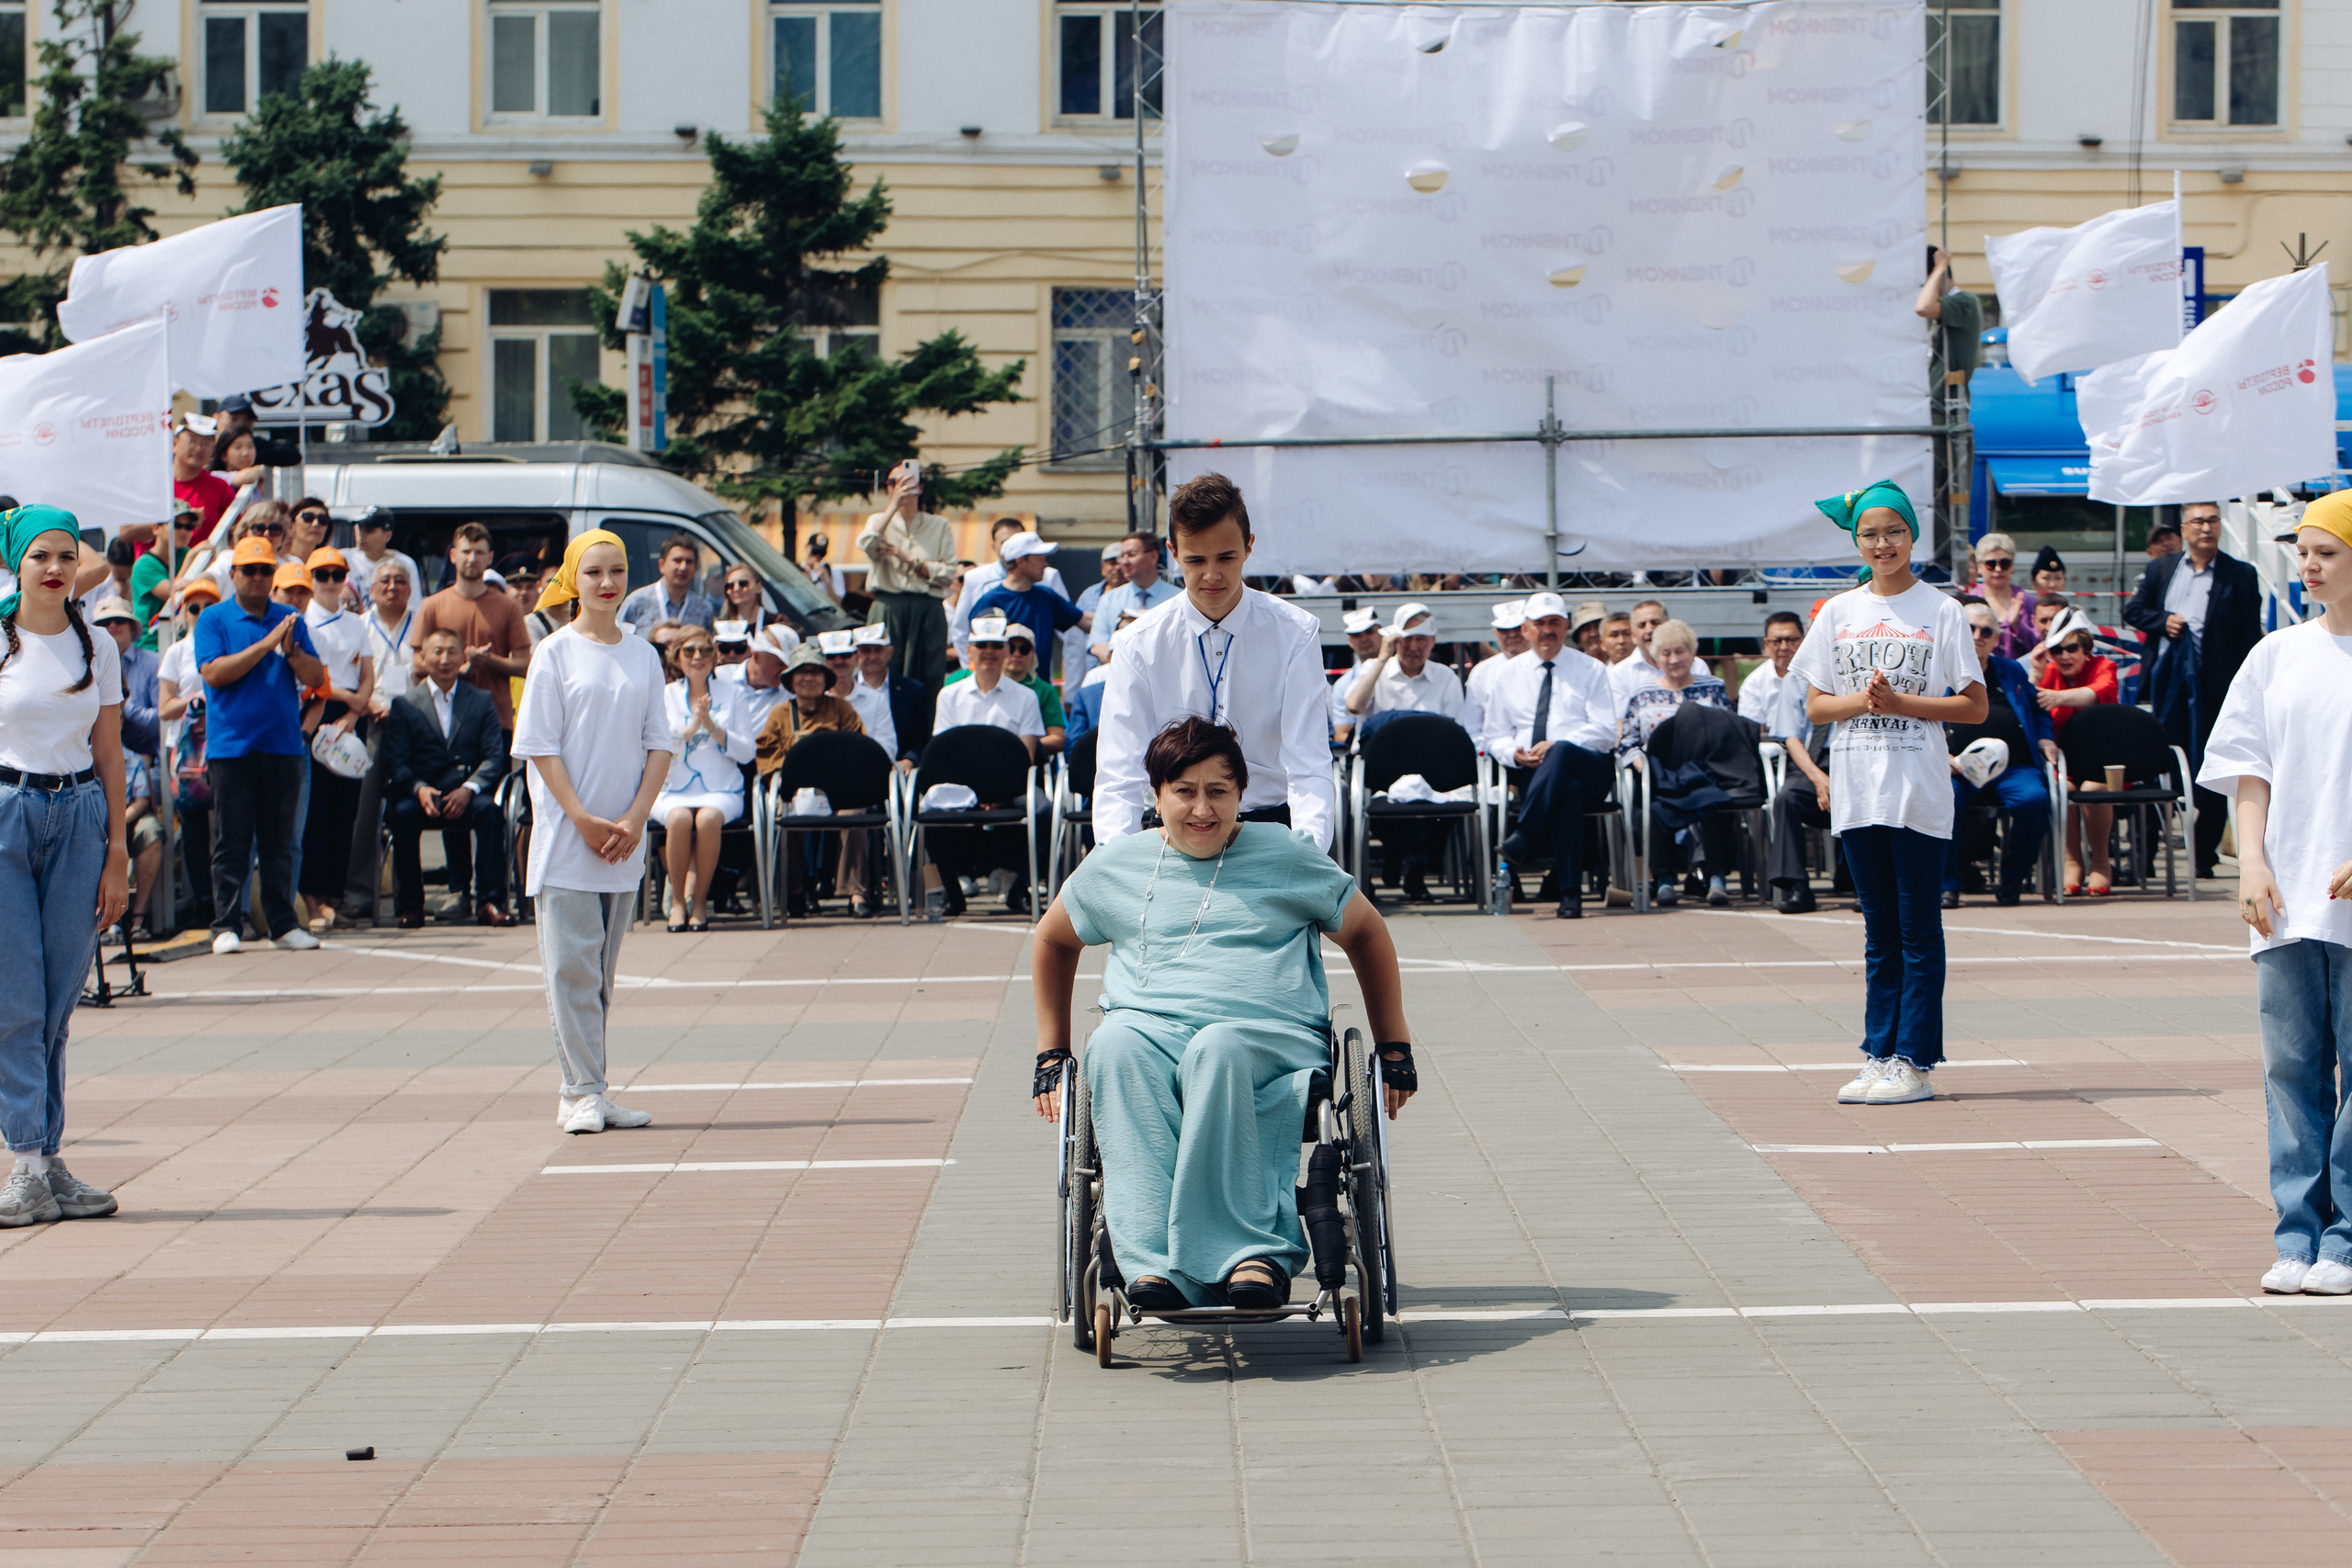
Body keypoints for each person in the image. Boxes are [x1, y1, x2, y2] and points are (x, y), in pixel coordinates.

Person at [1028, 717, 1416, 1309]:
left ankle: (1251, 1253)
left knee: (1219, 1047)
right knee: (1112, 1046)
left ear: (1242, 794)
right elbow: (1054, 940)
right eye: (1184, 791)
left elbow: (1366, 932)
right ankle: (1153, 1262)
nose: (1202, 809)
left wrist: (1394, 1045)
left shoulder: (1285, 854)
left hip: (1269, 1037)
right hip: (1151, 1033)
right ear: (1156, 796)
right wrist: (1052, 1051)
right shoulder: (1116, 866)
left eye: (1219, 791)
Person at [1790, 481, 1985, 1107]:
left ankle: (1915, 1058)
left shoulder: (1943, 610)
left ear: (1912, 536)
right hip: (1857, 789)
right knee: (1879, 930)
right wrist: (1865, 702)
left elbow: (1974, 704)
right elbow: (1817, 705)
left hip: (1918, 790)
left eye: (1894, 531)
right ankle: (1878, 1052)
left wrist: (1903, 704)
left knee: (1917, 928)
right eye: (1871, 534)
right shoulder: (1838, 613)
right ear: (1858, 541)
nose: (1883, 543)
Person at [2199, 491, 2352, 1297]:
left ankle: (2347, 1240)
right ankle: (2297, 1237)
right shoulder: (2276, 654)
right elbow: (2246, 769)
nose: (2309, 563)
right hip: (2286, 895)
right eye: (2305, 550)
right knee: (2291, 1069)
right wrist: (2251, 862)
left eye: (2326, 551)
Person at [512, 531, 674, 1137]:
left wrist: (634, 817)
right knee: (571, 969)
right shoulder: (554, 652)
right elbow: (539, 748)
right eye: (594, 572)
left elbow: (660, 741)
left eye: (618, 571)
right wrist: (580, 816)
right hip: (567, 838)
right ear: (574, 580)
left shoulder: (642, 655)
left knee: (600, 974)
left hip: (622, 842)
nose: (607, 583)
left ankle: (583, 1087)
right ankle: (584, 1090)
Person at [0, 505, 130, 1227]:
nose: (55, 569)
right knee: (14, 998)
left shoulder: (97, 647)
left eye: (66, 557)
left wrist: (117, 852)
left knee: (56, 1003)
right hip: (7, 813)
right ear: (15, 564)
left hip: (79, 818)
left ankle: (46, 1162)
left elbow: (110, 752)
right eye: (39, 556)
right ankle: (26, 1162)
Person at [1095, 473, 1339, 852]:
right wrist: (1116, 862)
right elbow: (1119, 774)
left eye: (1226, 557)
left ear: (1249, 546)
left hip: (1267, 828)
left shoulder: (1295, 632)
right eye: (1195, 560)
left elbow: (1309, 763)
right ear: (1173, 554)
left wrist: (1309, 853)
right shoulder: (1137, 642)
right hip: (1170, 834)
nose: (1211, 574)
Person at [193, 534, 327, 954]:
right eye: (248, 570)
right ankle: (225, 925)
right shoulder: (214, 619)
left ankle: (283, 923)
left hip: (283, 744)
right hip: (231, 746)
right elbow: (214, 674)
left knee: (279, 841)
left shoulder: (290, 618)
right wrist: (266, 645)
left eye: (264, 570)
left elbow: (314, 676)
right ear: (233, 574)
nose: (256, 577)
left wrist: (289, 651)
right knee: (231, 841)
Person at [2124, 499, 2263, 879]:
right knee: (2155, 766)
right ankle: (2144, 855)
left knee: (2215, 766)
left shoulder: (2240, 574)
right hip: (2165, 685)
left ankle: (2203, 855)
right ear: (2183, 529)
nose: (2206, 528)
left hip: (2215, 688)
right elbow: (2133, 612)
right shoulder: (2161, 569)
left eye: (2213, 521)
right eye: (2198, 522)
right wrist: (2162, 620)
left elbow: (2251, 635)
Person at [1487, 592, 1618, 919]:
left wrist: (1558, 744)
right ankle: (1570, 895)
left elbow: (1604, 730)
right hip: (1534, 773)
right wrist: (1512, 753)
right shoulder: (1507, 674)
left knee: (1562, 756)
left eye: (1554, 623)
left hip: (1590, 766)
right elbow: (1494, 734)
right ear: (1526, 629)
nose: (1547, 630)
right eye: (1540, 624)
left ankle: (1526, 834)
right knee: (1566, 791)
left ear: (1567, 627)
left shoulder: (1591, 669)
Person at [382, 626, 512, 930]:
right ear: (424, 657)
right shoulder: (405, 704)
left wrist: (468, 788)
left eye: (452, 652)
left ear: (462, 657)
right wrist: (417, 788)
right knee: (402, 814)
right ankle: (411, 905)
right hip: (423, 792)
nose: (444, 659)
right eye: (437, 652)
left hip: (465, 789)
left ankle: (490, 902)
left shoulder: (481, 700)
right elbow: (396, 761)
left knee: (491, 812)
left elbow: (494, 757)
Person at [927, 615, 1046, 915]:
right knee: (927, 810)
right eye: (982, 645)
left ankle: (1019, 889)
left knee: (1045, 810)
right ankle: (953, 895)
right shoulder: (949, 696)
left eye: (996, 645)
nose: (989, 651)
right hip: (961, 792)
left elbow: (1027, 756)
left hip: (1011, 789)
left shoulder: (1026, 697)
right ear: (969, 651)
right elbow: (944, 757)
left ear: (1006, 651)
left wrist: (1000, 792)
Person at [1943, 599, 2056, 909]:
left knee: (2034, 801)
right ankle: (1948, 884)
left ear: (1995, 639)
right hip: (1957, 767)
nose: (1977, 635)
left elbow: (2038, 712)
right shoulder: (1938, 672)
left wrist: (2046, 739)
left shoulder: (2010, 671)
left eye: (1986, 631)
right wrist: (1942, 755)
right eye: (1970, 628)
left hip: (2013, 767)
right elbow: (1922, 719)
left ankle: (2012, 880)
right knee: (1941, 803)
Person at [1615, 618, 1736, 907]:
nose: (1673, 659)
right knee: (1655, 805)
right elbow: (1627, 743)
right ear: (1656, 658)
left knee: (1712, 800)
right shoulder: (1642, 694)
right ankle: (1665, 879)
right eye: (1666, 653)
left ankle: (1717, 877)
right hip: (1660, 773)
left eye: (1680, 651)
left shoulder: (1713, 687)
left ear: (1693, 653)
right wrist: (1644, 767)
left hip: (1704, 771)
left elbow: (1729, 731)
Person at [651, 624, 755, 931]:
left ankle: (699, 903)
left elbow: (747, 752)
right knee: (680, 819)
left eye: (705, 651)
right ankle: (679, 903)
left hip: (722, 788)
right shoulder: (665, 695)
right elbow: (659, 745)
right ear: (677, 657)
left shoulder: (733, 694)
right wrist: (691, 727)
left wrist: (711, 725)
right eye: (689, 651)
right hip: (673, 787)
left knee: (708, 819)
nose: (698, 657)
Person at [297, 547, 373, 931]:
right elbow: (317, 677)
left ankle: (333, 896)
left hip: (349, 719)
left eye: (336, 574)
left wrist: (355, 713)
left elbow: (368, 669)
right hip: (319, 711)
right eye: (321, 574)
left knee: (346, 814)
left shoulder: (357, 623)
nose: (329, 581)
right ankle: (312, 900)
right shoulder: (303, 621)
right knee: (317, 812)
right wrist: (350, 701)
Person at [346, 559, 420, 925]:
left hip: (415, 726)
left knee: (413, 806)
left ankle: (412, 899)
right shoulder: (359, 626)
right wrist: (371, 705)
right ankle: (359, 893)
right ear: (372, 588)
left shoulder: (421, 623)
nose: (393, 586)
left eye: (401, 580)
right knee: (364, 810)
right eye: (385, 581)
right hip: (370, 721)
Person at [2036, 607, 2122, 897]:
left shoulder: (2103, 666)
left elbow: (2098, 693)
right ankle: (2072, 861)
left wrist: (2057, 697)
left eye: (2071, 648)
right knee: (2065, 787)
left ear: (2085, 648)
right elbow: (2032, 706)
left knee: (2093, 787)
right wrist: (2035, 675)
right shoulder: (2047, 673)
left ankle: (2101, 862)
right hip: (2064, 762)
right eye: (2057, 650)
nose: (2064, 656)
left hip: (2105, 762)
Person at [417, 522, 532, 731]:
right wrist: (457, 669)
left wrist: (488, 660)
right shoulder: (431, 605)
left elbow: (525, 665)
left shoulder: (509, 606)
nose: (472, 559)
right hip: (442, 720)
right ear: (453, 555)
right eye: (466, 552)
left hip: (495, 720)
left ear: (489, 558)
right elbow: (416, 663)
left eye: (479, 552)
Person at [857, 460, 958, 691]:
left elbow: (948, 573)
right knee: (881, 673)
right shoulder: (878, 522)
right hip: (888, 606)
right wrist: (892, 506)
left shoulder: (939, 524)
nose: (900, 487)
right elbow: (866, 545)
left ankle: (926, 726)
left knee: (928, 676)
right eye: (893, 482)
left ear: (920, 487)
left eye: (907, 481)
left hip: (927, 608)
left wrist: (910, 561)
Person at [972, 531, 1091, 681]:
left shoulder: (1047, 596)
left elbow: (1086, 621)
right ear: (1021, 561)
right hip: (1001, 692)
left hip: (1040, 691)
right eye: (1040, 559)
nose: (1046, 564)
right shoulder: (989, 602)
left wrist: (1121, 621)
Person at [1343, 601, 1468, 730]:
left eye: (1420, 639)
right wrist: (1383, 659)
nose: (1413, 647)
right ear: (1395, 640)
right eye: (1407, 639)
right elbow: (1354, 707)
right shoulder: (1373, 668)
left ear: (1432, 641)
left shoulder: (1446, 677)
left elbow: (1454, 729)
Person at [944, 624, 1066, 753]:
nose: (1017, 654)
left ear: (1032, 655)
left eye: (1024, 649)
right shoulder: (954, 687)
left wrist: (1019, 742)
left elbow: (1057, 738)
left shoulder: (1038, 693)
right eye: (1012, 648)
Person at [952, 517, 1039, 661]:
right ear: (993, 546)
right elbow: (961, 629)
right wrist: (973, 668)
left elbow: (1071, 631)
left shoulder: (1045, 575)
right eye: (1005, 542)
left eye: (1017, 541)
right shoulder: (976, 577)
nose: (1011, 546)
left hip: (1034, 673)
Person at [1090, 531, 1181, 663]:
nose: (1124, 562)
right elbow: (1097, 644)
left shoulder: (1177, 598)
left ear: (1153, 557)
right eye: (1122, 556)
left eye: (1131, 555)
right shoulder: (1109, 599)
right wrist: (1122, 662)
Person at [91, 598, 160, 766]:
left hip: (148, 759)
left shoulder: (154, 663)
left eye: (120, 620)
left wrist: (123, 707)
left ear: (131, 626)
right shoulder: (85, 667)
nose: (113, 625)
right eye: (105, 622)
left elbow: (161, 721)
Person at [1609, 598, 1712, 708]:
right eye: (1642, 625)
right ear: (1633, 635)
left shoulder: (1696, 665)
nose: (1649, 630)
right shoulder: (1619, 674)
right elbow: (1620, 721)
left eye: (1655, 623)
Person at [620, 534, 718, 633]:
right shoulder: (637, 602)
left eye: (689, 562)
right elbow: (617, 639)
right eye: (677, 560)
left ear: (696, 568)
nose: (683, 567)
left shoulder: (703, 608)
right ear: (661, 565)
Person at [1966, 531, 2039, 659]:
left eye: (2005, 563)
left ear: (2012, 567)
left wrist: (2017, 627)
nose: (1998, 569)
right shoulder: (1968, 602)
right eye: (1991, 564)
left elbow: (2040, 646)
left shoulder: (2028, 602)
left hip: (2016, 674)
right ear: (1979, 567)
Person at [717, 622, 793, 732]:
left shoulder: (790, 691)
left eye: (789, 665)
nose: (785, 670)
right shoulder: (718, 677)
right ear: (756, 655)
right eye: (780, 663)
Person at [172, 413, 236, 543]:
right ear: (175, 443)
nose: (199, 448)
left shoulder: (220, 488)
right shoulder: (153, 483)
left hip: (204, 562)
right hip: (154, 562)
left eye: (206, 443)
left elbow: (235, 530)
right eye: (192, 440)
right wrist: (182, 519)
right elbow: (127, 532)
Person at [1328, 606, 1382, 750]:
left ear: (1381, 633)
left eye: (1369, 632)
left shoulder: (1404, 669)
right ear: (1349, 640)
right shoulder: (1342, 685)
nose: (1363, 638)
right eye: (1356, 634)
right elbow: (1341, 734)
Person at [344, 511, 419, 611]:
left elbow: (414, 606)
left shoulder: (405, 564)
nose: (361, 534)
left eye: (369, 529)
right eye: (359, 528)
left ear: (387, 535)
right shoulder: (345, 558)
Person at [718, 563, 773, 637]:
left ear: (758, 587)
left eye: (743, 584)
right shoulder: (724, 628)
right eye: (730, 586)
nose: (736, 589)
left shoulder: (776, 622)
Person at [801, 531, 847, 603]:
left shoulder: (833, 571)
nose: (817, 556)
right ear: (807, 548)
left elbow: (838, 602)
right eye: (815, 551)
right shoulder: (797, 568)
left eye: (822, 553)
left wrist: (828, 583)